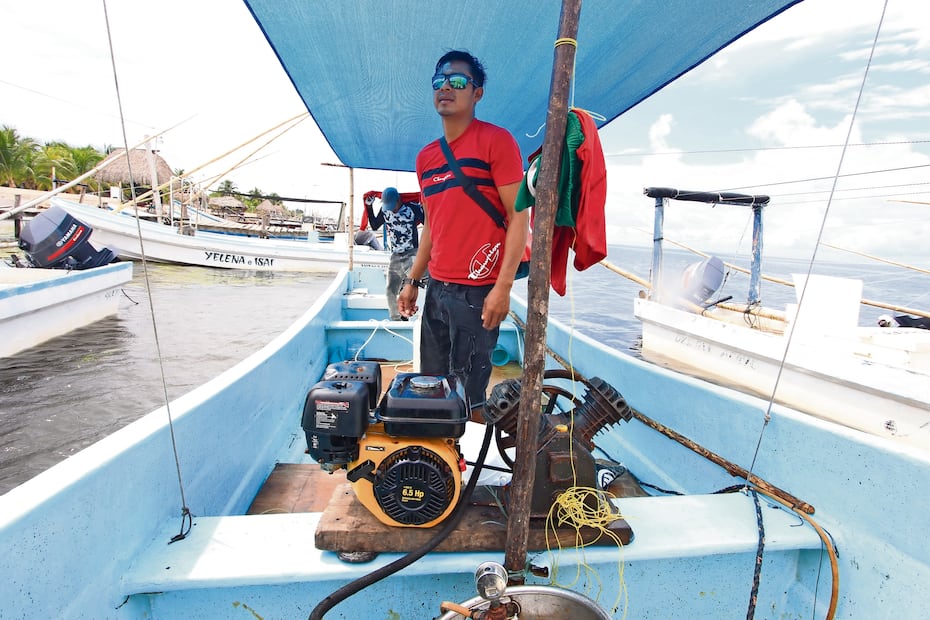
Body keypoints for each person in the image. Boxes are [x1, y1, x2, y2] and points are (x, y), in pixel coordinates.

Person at [397, 50, 528, 417]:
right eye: (440, 82)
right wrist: (412, 280)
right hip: (437, 289)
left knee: (466, 397)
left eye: (458, 82)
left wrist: (503, 288)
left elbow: (519, 218)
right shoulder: (426, 158)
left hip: (478, 292)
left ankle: (458, 463)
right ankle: (438, 466)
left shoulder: (495, 141)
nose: (446, 89)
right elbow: (431, 229)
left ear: (477, 94)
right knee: (431, 387)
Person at [364, 187, 424, 320]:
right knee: (391, 289)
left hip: (412, 253)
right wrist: (369, 207)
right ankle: (397, 320)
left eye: (393, 206)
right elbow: (374, 225)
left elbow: (428, 223)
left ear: (399, 200)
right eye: (388, 207)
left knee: (411, 285)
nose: (391, 209)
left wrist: (424, 206)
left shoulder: (412, 208)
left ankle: (414, 313)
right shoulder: (385, 210)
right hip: (395, 255)